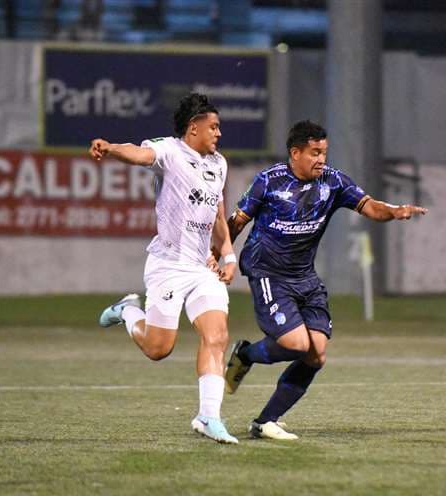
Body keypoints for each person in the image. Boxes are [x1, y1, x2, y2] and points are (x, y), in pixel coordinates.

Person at [224, 120, 427, 440]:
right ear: (295, 153)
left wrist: (394, 210)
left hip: (305, 277)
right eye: (315, 153)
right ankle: (245, 356)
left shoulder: (334, 182)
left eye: (324, 152)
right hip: (268, 274)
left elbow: (370, 206)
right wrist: (220, 256)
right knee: (296, 344)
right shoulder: (269, 181)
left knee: (316, 353)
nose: (321, 159)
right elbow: (236, 222)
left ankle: (265, 421)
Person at [89, 93, 239, 444]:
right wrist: (110, 149)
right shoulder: (170, 151)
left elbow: (218, 215)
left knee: (217, 336)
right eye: (213, 127)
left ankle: (208, 417)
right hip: (168, 266)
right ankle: (128, 310)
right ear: (193, 128)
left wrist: (229, 256)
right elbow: (139, 154)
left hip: (202, 268)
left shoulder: (219, 164)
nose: (218, 133)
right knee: (158, 348)